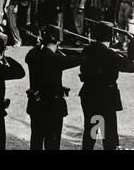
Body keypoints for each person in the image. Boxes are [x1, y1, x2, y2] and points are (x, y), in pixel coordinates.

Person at [25, 26, 86, 150]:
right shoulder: (57, 59)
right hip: (52, 106)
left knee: (36, 141)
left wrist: (39, 45)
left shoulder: (32, 54)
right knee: (52, 143)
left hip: (36, 104)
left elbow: (33, 53)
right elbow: (79, 59)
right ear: (58, 42)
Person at [79, 21, 134, 150]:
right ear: (111, 37)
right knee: (109, 133)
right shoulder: (110, 55)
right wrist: (132, 46)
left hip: (89, 94)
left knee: (92, 129)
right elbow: (130, 66)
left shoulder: (87, 50)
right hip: (106, 98)